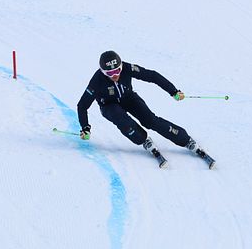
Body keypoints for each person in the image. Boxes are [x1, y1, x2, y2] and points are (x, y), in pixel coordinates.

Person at [77, 50, 214, 168]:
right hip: (109, 106)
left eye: (117, 70)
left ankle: (185, 139)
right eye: (110, 73)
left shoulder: (127, 68)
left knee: (151, 121)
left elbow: (152, 76)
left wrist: (173, 91)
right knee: (123, 120)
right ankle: (143, 140)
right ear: (103, 71)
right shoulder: (96, 80)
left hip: (129, 98)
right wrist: (85, 127)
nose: (115, 75)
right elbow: (82, 105)